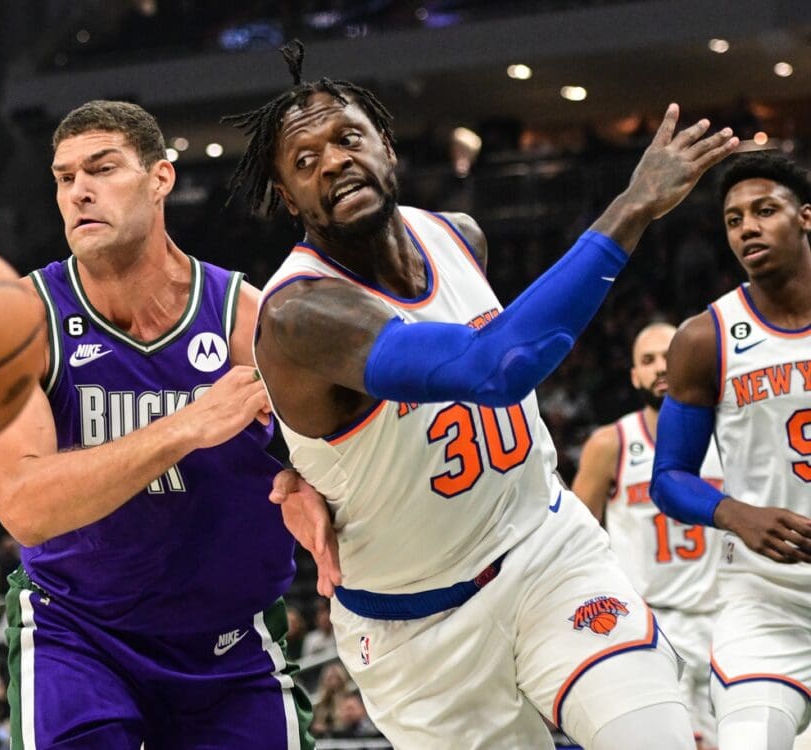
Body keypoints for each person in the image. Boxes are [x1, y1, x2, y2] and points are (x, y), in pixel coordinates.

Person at [225, 40, 738, 749]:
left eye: (348, 138)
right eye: (305, 162)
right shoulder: (301, 313)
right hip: (421, 633)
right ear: (288, 199)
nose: (334, 161)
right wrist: (633, 206)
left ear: (387, 147)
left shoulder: (459, 237)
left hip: (547, 553)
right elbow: (496, 367)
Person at [0, 100, 313, 748]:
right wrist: (186, 425)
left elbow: (333, 457)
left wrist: (314, 487)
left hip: (230, 644)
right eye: (64, 176)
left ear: (161, 178)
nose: (79, 191)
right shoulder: (19, 321)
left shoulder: (246, 315)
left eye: (101, 169)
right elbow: (23, 505)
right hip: (78, 634)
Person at [651, 151, 811, 750]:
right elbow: (668, 478)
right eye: (733, 218)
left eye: (765, 210)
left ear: (805, 218)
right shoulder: (704, 337)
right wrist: (735, 513)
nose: (747, 227)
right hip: (766, 599)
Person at [572, 321, 724, 748]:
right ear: (634, 376)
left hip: (725, 617)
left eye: (668, 355)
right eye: (647, 360)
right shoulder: (611, 443)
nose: (660, 367)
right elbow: (575, 541)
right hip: (651, 623)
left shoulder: (727, 434)